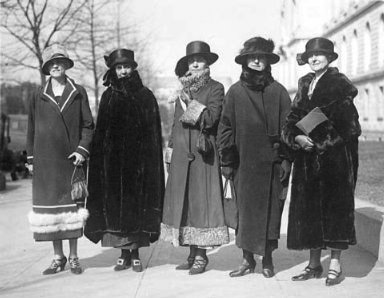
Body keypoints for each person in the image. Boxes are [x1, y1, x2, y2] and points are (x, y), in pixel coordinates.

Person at [281, 37, 361, 286]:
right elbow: (293, 116)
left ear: (329, 57)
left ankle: (335, 264)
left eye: (320, 54)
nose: (315, 59)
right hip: (307, 160)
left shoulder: (339, 84)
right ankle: (314, 264)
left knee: (335, 210)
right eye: (311, 55)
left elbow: (349, 126)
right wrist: (296, 136)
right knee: (310, 211)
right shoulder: (305, 83)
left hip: (335, 158)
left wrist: (315, 139)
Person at [217, 37, 292, 278]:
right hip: (243, 164)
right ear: (245, 61)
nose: (257, 61)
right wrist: (227, 161)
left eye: (262, 57)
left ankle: (268, 259)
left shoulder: (278, 91)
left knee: (272, 213)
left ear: (268, 61)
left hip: (272, 164)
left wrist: (286, 159)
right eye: (253, 57)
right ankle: (247, 260)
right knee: (246, 213)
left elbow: (289, 128)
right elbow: (225, 127)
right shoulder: (235, 92)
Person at [84, 49, 165, 272]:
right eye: (119, 68)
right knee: (116, 211)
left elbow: (153, 134)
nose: (123, 71)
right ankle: (122, 253)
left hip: (138, 164)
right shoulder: (108, 96)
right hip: (113, 164)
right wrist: (101, 163)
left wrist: (149, 165)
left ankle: (136, 252)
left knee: (136, 208)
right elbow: (101, 134)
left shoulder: (145, 96)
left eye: (127, 67)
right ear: (114, 70)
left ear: (133, 68)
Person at [161, 41, 229, 275]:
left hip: (203, 155)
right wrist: (170, 150)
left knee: (202, 204)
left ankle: (201, 256)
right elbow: (175, 124)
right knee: (186, 203)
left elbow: (211, 119)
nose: (196, 63)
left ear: (207, 63)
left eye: (200, 60)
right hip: (181, 154)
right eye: (191, 61)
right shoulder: (182, 90)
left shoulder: (216, 88)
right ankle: (191, 253)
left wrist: (190, 102)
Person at [26, 44, 94, 275]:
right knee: (52, 211)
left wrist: (82, 150)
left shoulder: (78, 91)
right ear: (46, 68)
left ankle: (74, 257)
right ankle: (58, 257)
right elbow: (31, 128)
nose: (56, 66)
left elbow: (88, 125)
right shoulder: (37, 94)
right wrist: (31, 158)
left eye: (60, 62)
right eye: (51, 63)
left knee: (72, 211)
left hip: (71, 161)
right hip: (47, 161)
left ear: (66, 65)